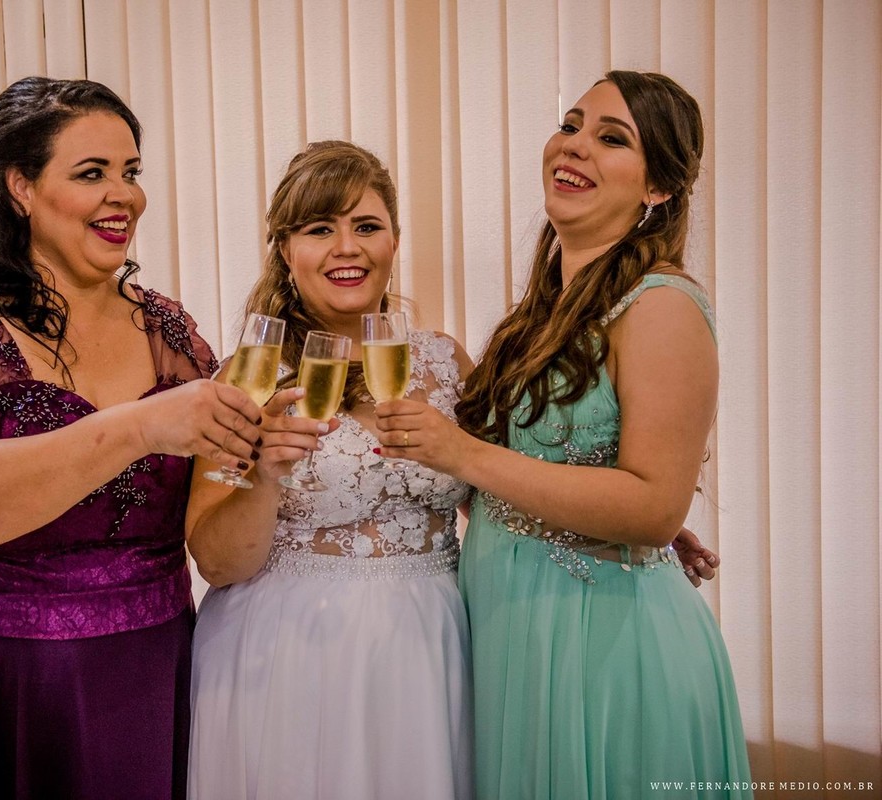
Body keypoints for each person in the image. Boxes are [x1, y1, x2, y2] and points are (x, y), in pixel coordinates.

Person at [0, 77, 261, 799]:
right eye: (92, 173)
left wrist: (267, 457)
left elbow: (213, 537)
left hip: (140, 683)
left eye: (131, 172)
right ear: (21, 186)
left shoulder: (171, 334)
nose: (124, 196)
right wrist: (140, 425)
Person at [375, 71, 752, 797]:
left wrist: (465, 454)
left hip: (601, 644)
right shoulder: (539, 315)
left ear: (658, 188)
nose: (574, 146)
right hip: (514, 633)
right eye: (571, 125)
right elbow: (542, 469)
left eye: (612, 139)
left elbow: (653, 509)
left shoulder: (662, 306)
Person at [186, 141, 476, 799]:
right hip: (288, 652)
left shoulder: (444, 361)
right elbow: (217, 563)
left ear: (394, 242)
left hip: (429, 646)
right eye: (320, 229)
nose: (348, 247)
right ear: (286, 251)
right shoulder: (249, 378)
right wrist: (263, 476)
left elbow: (495, 493)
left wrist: (601, 517)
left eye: (366, 226)